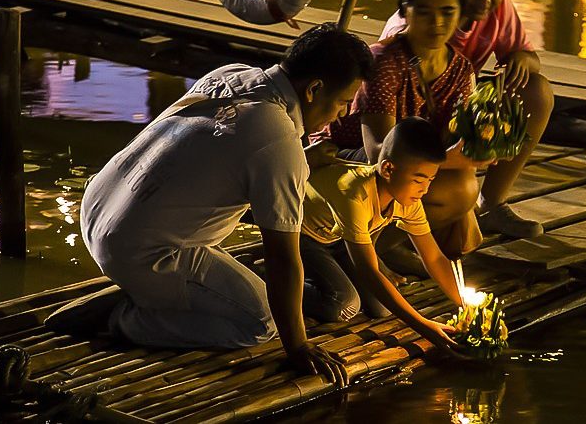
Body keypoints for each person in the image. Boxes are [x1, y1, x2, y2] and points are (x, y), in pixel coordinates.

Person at [78, 23, 373, 386]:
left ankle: (144, 288)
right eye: (343, 102)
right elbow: (282, 258)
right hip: (141, 251)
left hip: (96, 210)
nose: (342, 115)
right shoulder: (278, 141)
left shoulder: (233, 74)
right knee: (258, 322)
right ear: (314, 89)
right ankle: (124, 317)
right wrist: (297, 347)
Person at [381, 0, 554, 239]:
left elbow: (529, 58)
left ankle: (491, 204)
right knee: (461, 195)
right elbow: (380, 147)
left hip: (451, 107)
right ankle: (390, 232)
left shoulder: (488, 18)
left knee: (536, 91)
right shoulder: (403, 39)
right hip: (407, 127)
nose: (485, 0)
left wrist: (519, 60)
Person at [319, 0, 492, 262]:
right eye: (424, 12)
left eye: (447, 12)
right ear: (405, 11)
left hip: (411, 162)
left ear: (461, 13)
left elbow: (454, 137)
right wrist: (449, 160)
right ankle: (352, 253)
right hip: (349, 157)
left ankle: (381, 247)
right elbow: (379, 153)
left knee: (462, 183)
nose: (437, 24)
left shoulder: (461, 70)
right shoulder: (385, 60)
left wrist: (479, 148)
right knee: (456, 186)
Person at [300, 117, 463, 355]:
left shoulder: (409, 200)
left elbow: (435, 258)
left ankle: (319, 274)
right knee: (344, 305)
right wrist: (423, 325)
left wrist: (466, 305)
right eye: (419, 180)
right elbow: (369, 271)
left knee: (381, 308)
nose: (425, 189)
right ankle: (273, 278)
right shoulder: (354, 194)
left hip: (337, 240)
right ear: (388, 168)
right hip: (301, 235)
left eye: (430, 180)